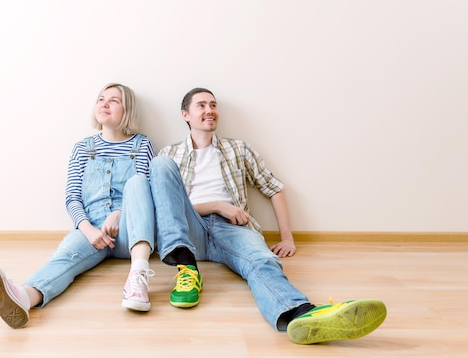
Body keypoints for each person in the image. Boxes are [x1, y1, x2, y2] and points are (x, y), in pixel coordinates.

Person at [149, 87, 386, 345]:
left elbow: (274, 188)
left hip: (232, 227)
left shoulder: (237, 149)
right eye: (202, 105)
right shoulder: (168, 155)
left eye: (213, 105)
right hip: (188, 231)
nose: (210, 111)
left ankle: (299, 314)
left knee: (263, 259)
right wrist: (218, 205)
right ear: (185, 114)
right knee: (159, 167)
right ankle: (185, 264)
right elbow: (165, 207)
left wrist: (287, 238)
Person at [0, 83, 156, 329]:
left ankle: (137, 283)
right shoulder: (82, 148)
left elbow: (146, 194)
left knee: (141, 181)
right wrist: (87, 229)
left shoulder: (142, 145)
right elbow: (72, 197)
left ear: (127, 109)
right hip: (92, 229)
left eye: (114, 100)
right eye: (101, 99)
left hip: (132, 230)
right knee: (65, 257)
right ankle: (23, 297)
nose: (104, 104)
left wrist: (120, 213)